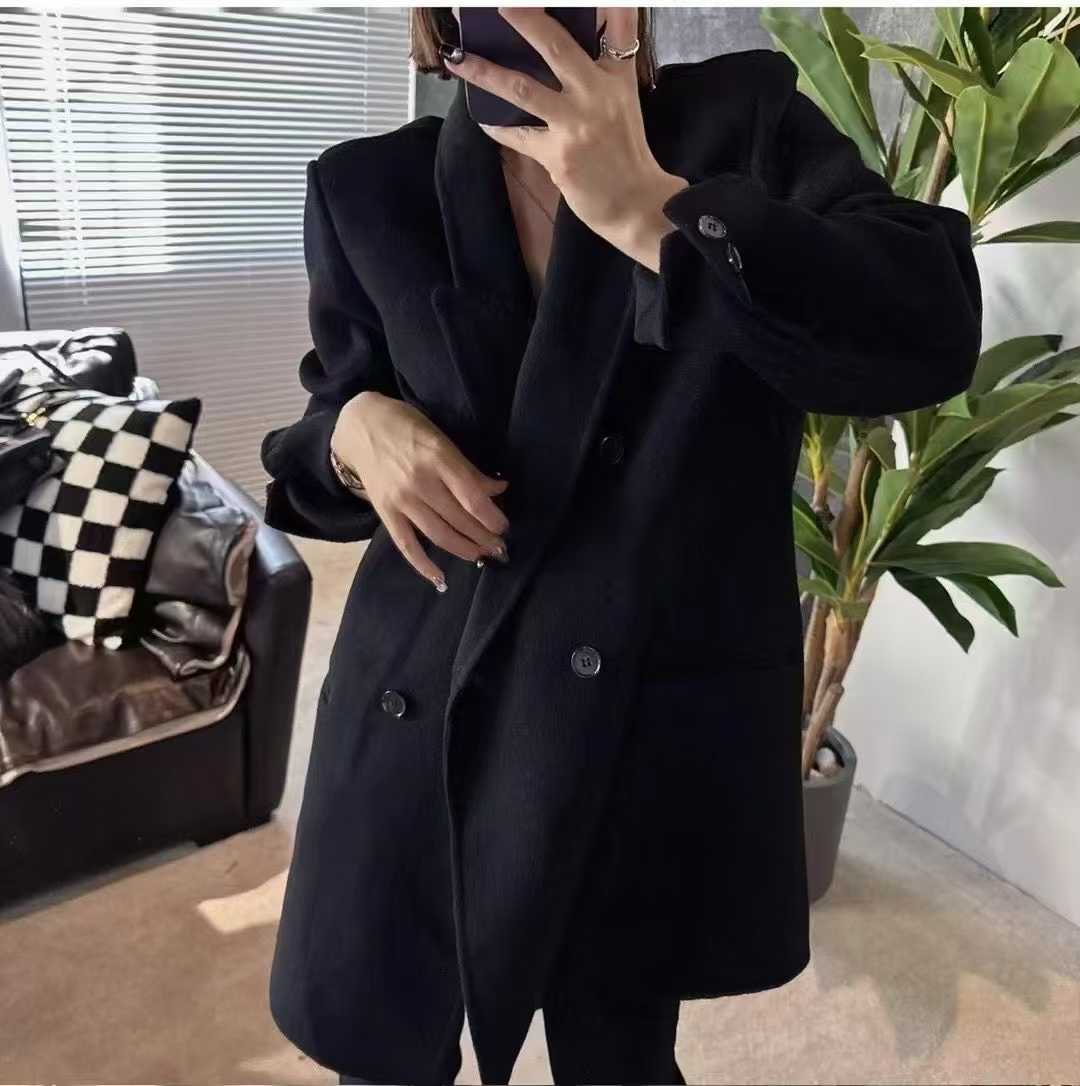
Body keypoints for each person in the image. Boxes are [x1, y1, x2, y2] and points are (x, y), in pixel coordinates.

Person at [259, 7, 983, 1085]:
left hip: (636, 714)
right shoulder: (368, 187)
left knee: (621, 1058)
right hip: (423, 703)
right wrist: (357, 435)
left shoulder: (749, 124)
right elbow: (322, 430)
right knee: (386, 1043)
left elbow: (930, 332)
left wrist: (658, 212)